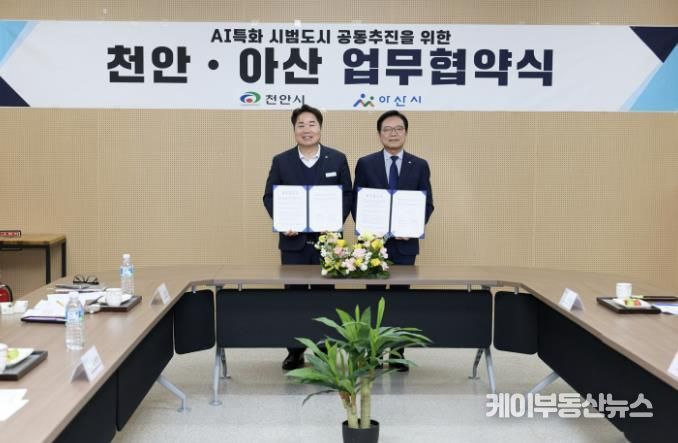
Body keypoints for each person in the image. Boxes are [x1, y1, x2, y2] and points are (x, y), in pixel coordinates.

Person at [263, 104, 352, 370]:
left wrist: (333, 222)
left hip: (328, 243)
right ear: (294, 130)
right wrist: (283, 222)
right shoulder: (282, 161)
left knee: (326, 297)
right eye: (301, 125)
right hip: (294, 243)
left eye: (312, 124)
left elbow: (347, 195)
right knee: (294, 297)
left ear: (320, 128)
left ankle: (325, 351)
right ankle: (295, 351)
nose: (307, 130)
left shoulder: (337, 159)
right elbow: (269, 196)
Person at [353, 110, 434, 371]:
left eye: (398, 129)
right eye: (387, 129)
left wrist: (412, 227)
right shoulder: (366, 164)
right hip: (373, 246)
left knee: (401, 299)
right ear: (379, 134)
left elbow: (427, 204)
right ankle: (373, 352)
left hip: (405, 244)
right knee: (373, 298)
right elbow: (357, 202)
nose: (393, 133)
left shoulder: (419, 165)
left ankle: (398, 352)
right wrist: (369, 231)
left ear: (406, 133)